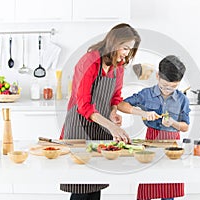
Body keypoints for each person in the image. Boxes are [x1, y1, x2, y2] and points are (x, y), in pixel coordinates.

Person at [59, 23, 141, 200]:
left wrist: (112, 112)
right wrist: (112, 127)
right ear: (114, 42)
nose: (126, 54)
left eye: (130, 50)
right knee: (81, 186)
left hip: (100, 127)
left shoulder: (118, 66)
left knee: (95, 182)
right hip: (79, 126)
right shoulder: (90, 61)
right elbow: (83, 105)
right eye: (125, 48)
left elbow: (115, 97)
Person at [118, 55, 190, 200]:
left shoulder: (182, 99)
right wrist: (143, 113)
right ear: (157, 76)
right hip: (150, 142)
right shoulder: (146, 94)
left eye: (173, 87)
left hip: (172, 147)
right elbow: (121, 105)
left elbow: (185, 127)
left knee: (169, 189)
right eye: (164, 86)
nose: (168, 90)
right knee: (147, 187)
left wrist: (174, 123)